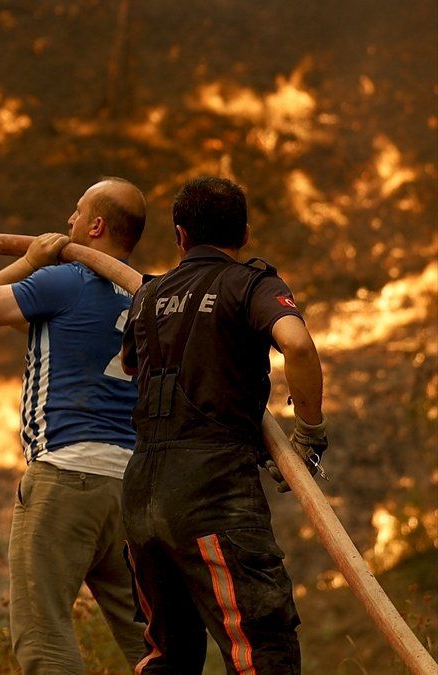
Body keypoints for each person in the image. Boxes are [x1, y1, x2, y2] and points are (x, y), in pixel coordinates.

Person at [119, 176, 327, 674]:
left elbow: (131, 366)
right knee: (260, 647)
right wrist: (310, 435)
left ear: (179, 235)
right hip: (214, 493)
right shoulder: (250, 283)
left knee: (168, 657)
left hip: (142, 496)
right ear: (246, 234)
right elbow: (296, 344)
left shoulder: (146, 299)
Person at [0, 177, 149, 674]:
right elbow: (26, 318)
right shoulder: (145, 298)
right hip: (127, 491)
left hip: (64, 480)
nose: (68, 222)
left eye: (77, 212)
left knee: (44, 640)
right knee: (152, 645)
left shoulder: (63, 279)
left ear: (97, 225)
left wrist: (31, 260)